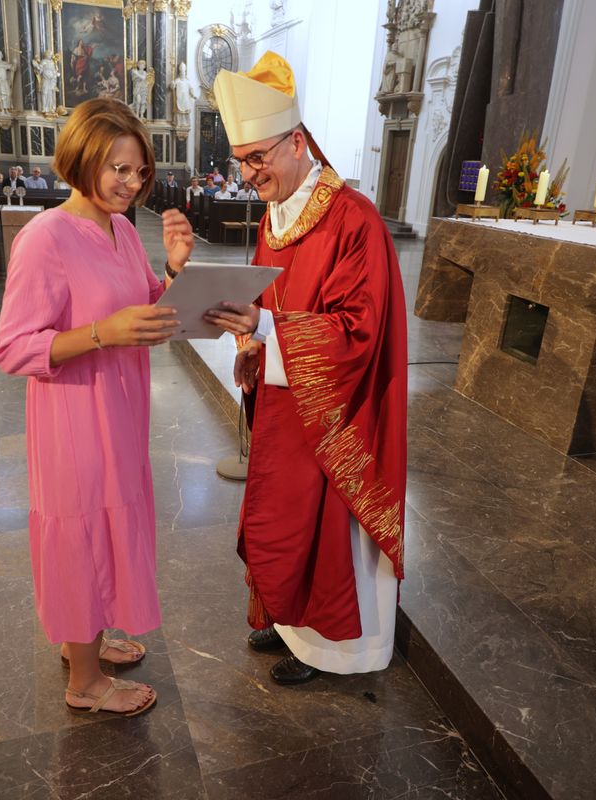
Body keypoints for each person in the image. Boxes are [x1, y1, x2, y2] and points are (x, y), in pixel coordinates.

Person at [204, 51, 408, 686]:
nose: (248, 174)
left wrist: (266, 330)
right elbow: (269, 296)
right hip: (284, 401)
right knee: (283, 515)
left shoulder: (356, 222)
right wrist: (248, 346)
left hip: (339, 412)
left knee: (323, 526)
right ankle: (288, 622)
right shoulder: (279, 212)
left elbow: (360, 333)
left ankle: (330, 648)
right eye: (241, 161)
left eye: (258, 158)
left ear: (297, 142)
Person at [0, 97, 194, 717]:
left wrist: (176, 273)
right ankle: (85, 681)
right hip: (74, 415)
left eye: (139, 173)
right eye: (117, 169)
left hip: (121, 409)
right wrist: (103, 332)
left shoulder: (125, 229)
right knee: (80, 531)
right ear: (80, 159)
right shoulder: (44, 239)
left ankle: (88, 641)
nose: (130, 185)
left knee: (107, 524)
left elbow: (143, 305)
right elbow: (12, 347)